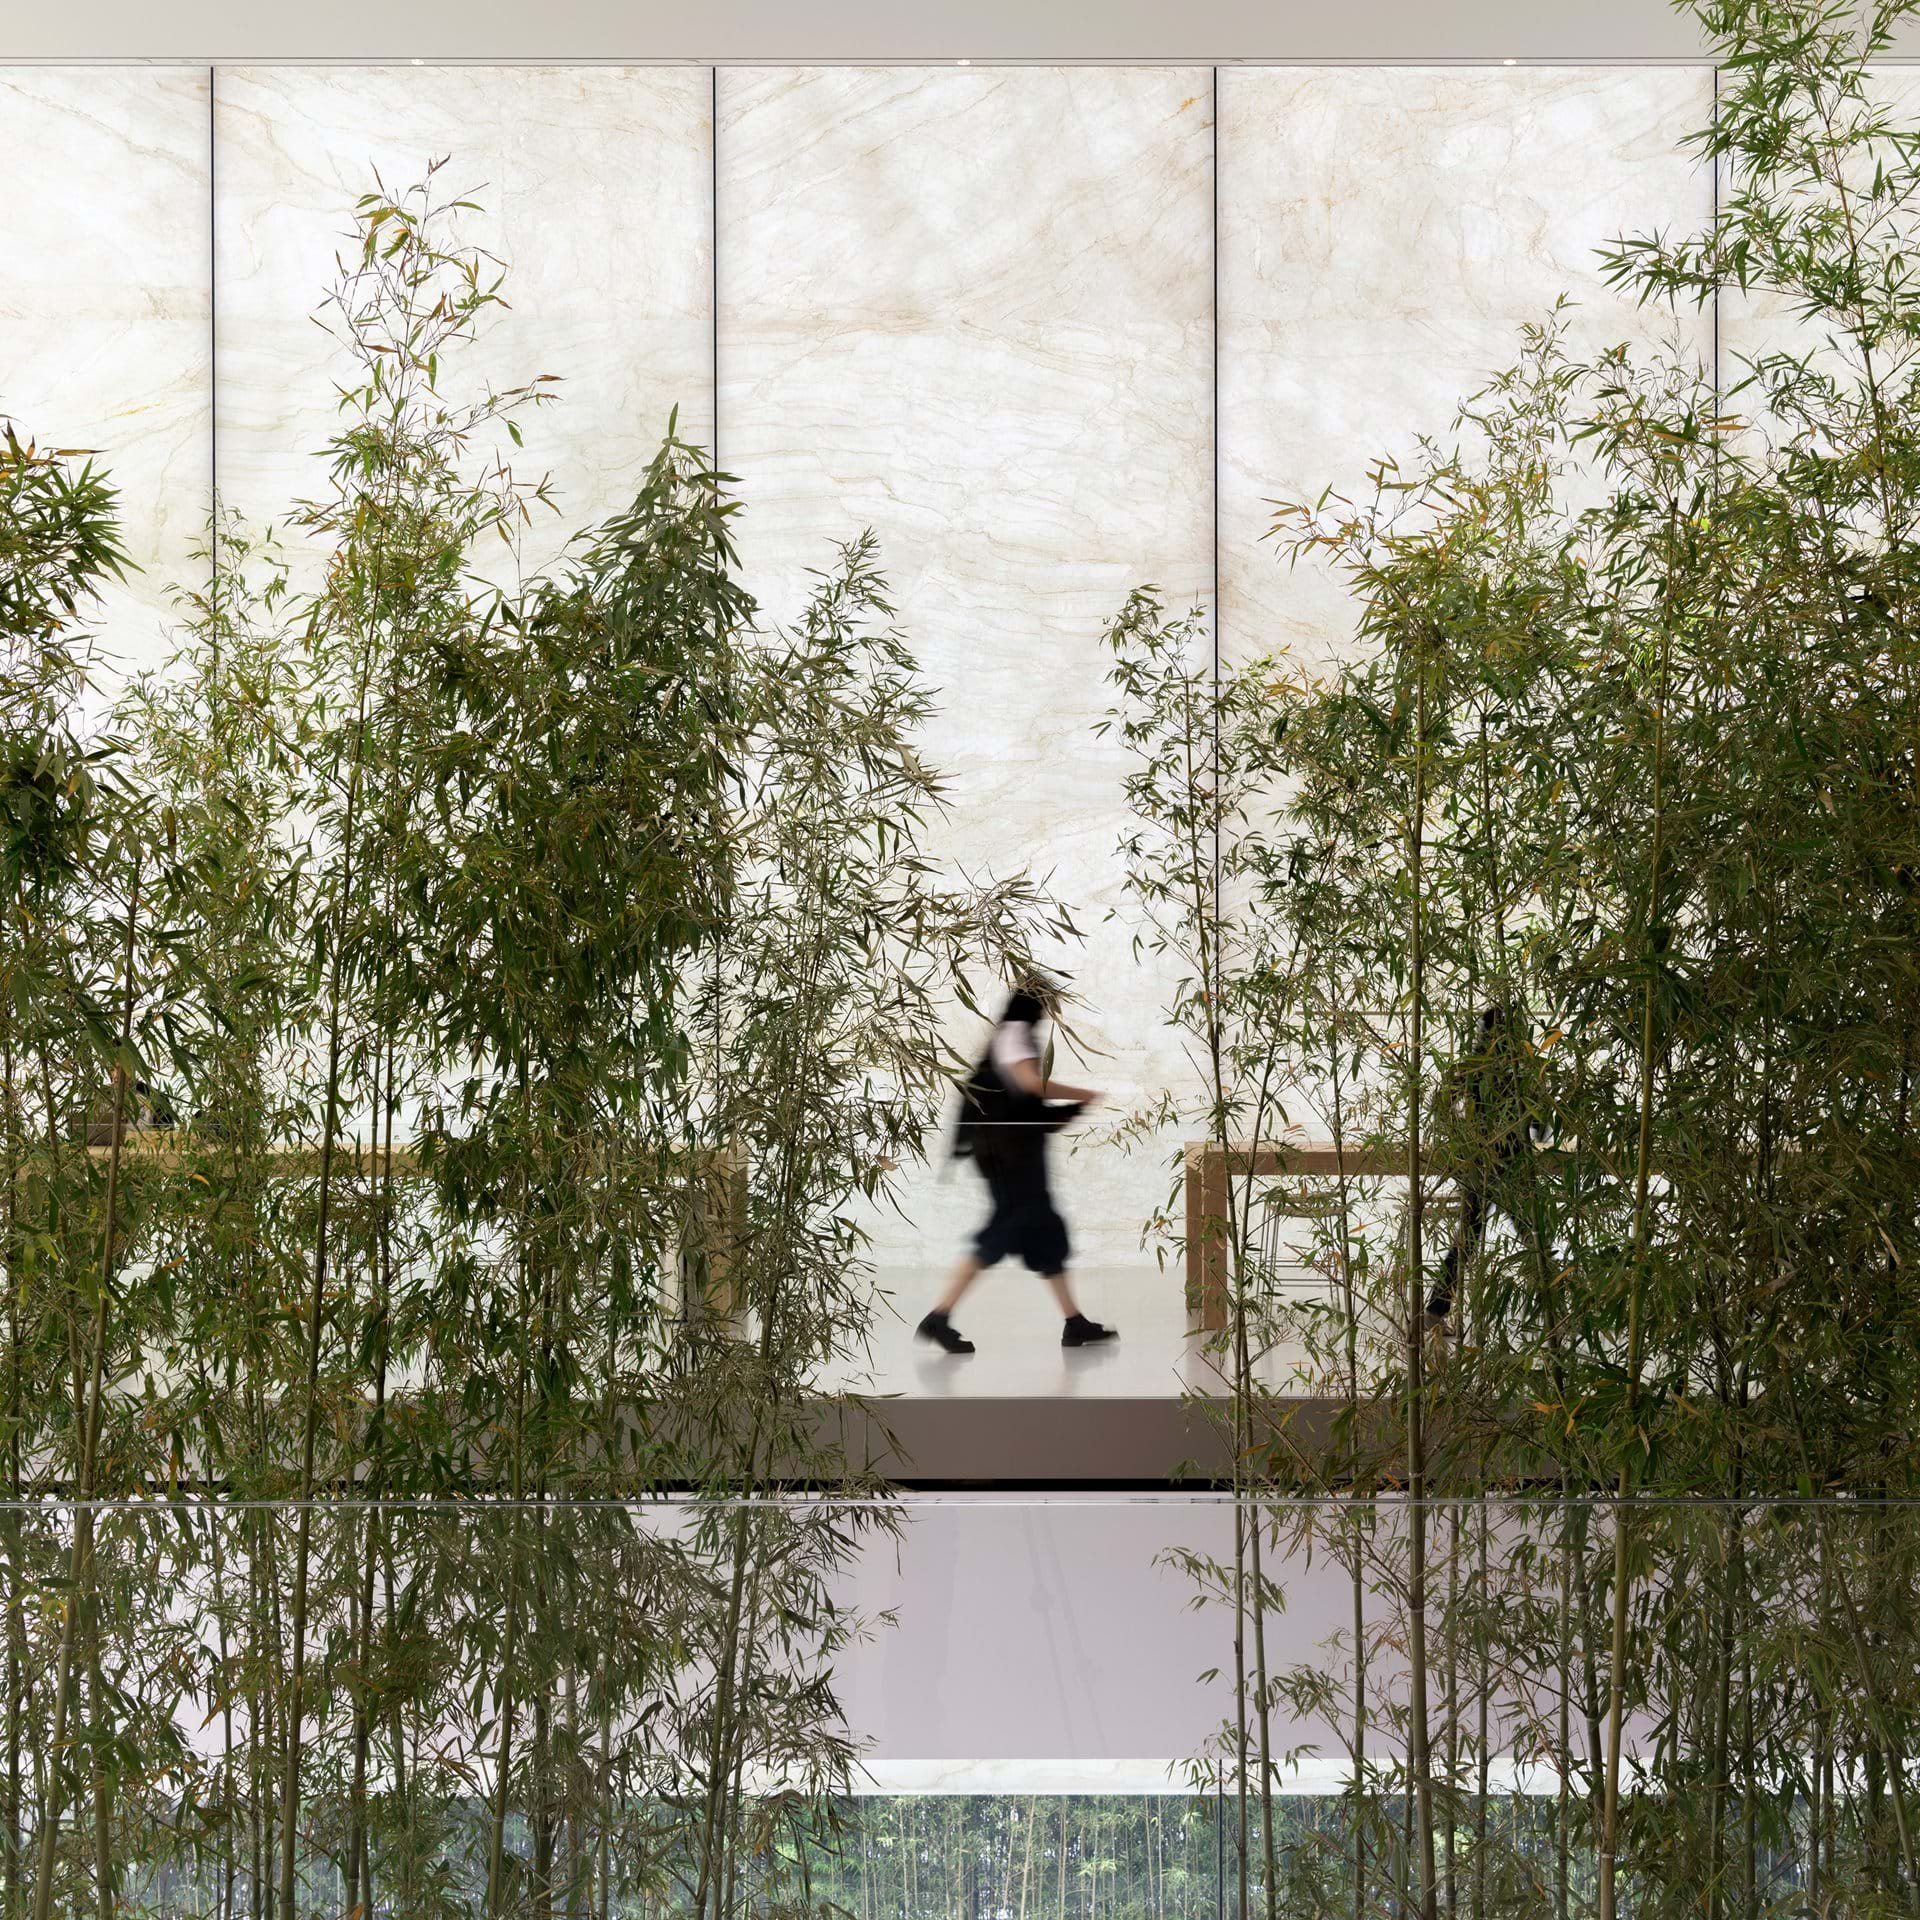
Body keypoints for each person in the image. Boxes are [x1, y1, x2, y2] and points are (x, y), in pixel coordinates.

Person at [917, 982, 1117, 1354]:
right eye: (1047, 1005)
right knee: (1002, 1232)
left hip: (1012, 1155)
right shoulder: (1016, 1034)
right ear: (1036, 1006)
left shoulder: (1006, 1035)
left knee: (1045, 1232)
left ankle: (1074, 1323)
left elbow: (1022, 1099)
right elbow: (1030, 1084)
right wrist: (1082, 1094)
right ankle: (939, 1317)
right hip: (1010, 1160)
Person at [1425, 1001, 1545, 1341]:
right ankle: (1554, 1308)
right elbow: (1536, 1115)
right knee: (1530, 1236)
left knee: (1471, 1239)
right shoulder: (1517, 1066)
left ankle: (1436, 1309)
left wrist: (1462, 1139)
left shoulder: (1474, 1066)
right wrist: (1538, 1128)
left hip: (1481, 1164)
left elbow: (1441, 1104)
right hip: (1510, 1162)